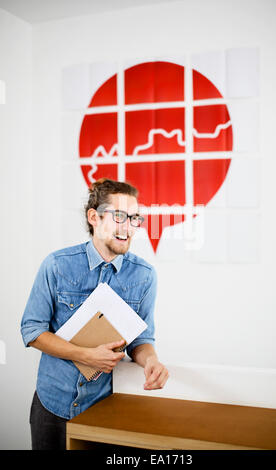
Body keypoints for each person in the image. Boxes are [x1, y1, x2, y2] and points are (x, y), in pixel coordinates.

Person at [21, 178, 169, 450]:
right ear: (94, 217)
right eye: (119, 216)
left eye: (135, 218)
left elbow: (141, 340)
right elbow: (32, 331)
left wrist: (151, 362)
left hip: (104, 406)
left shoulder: (145, 276)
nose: (128, 227)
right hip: (52, 402)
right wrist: (85, 355)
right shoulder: (56, 265)